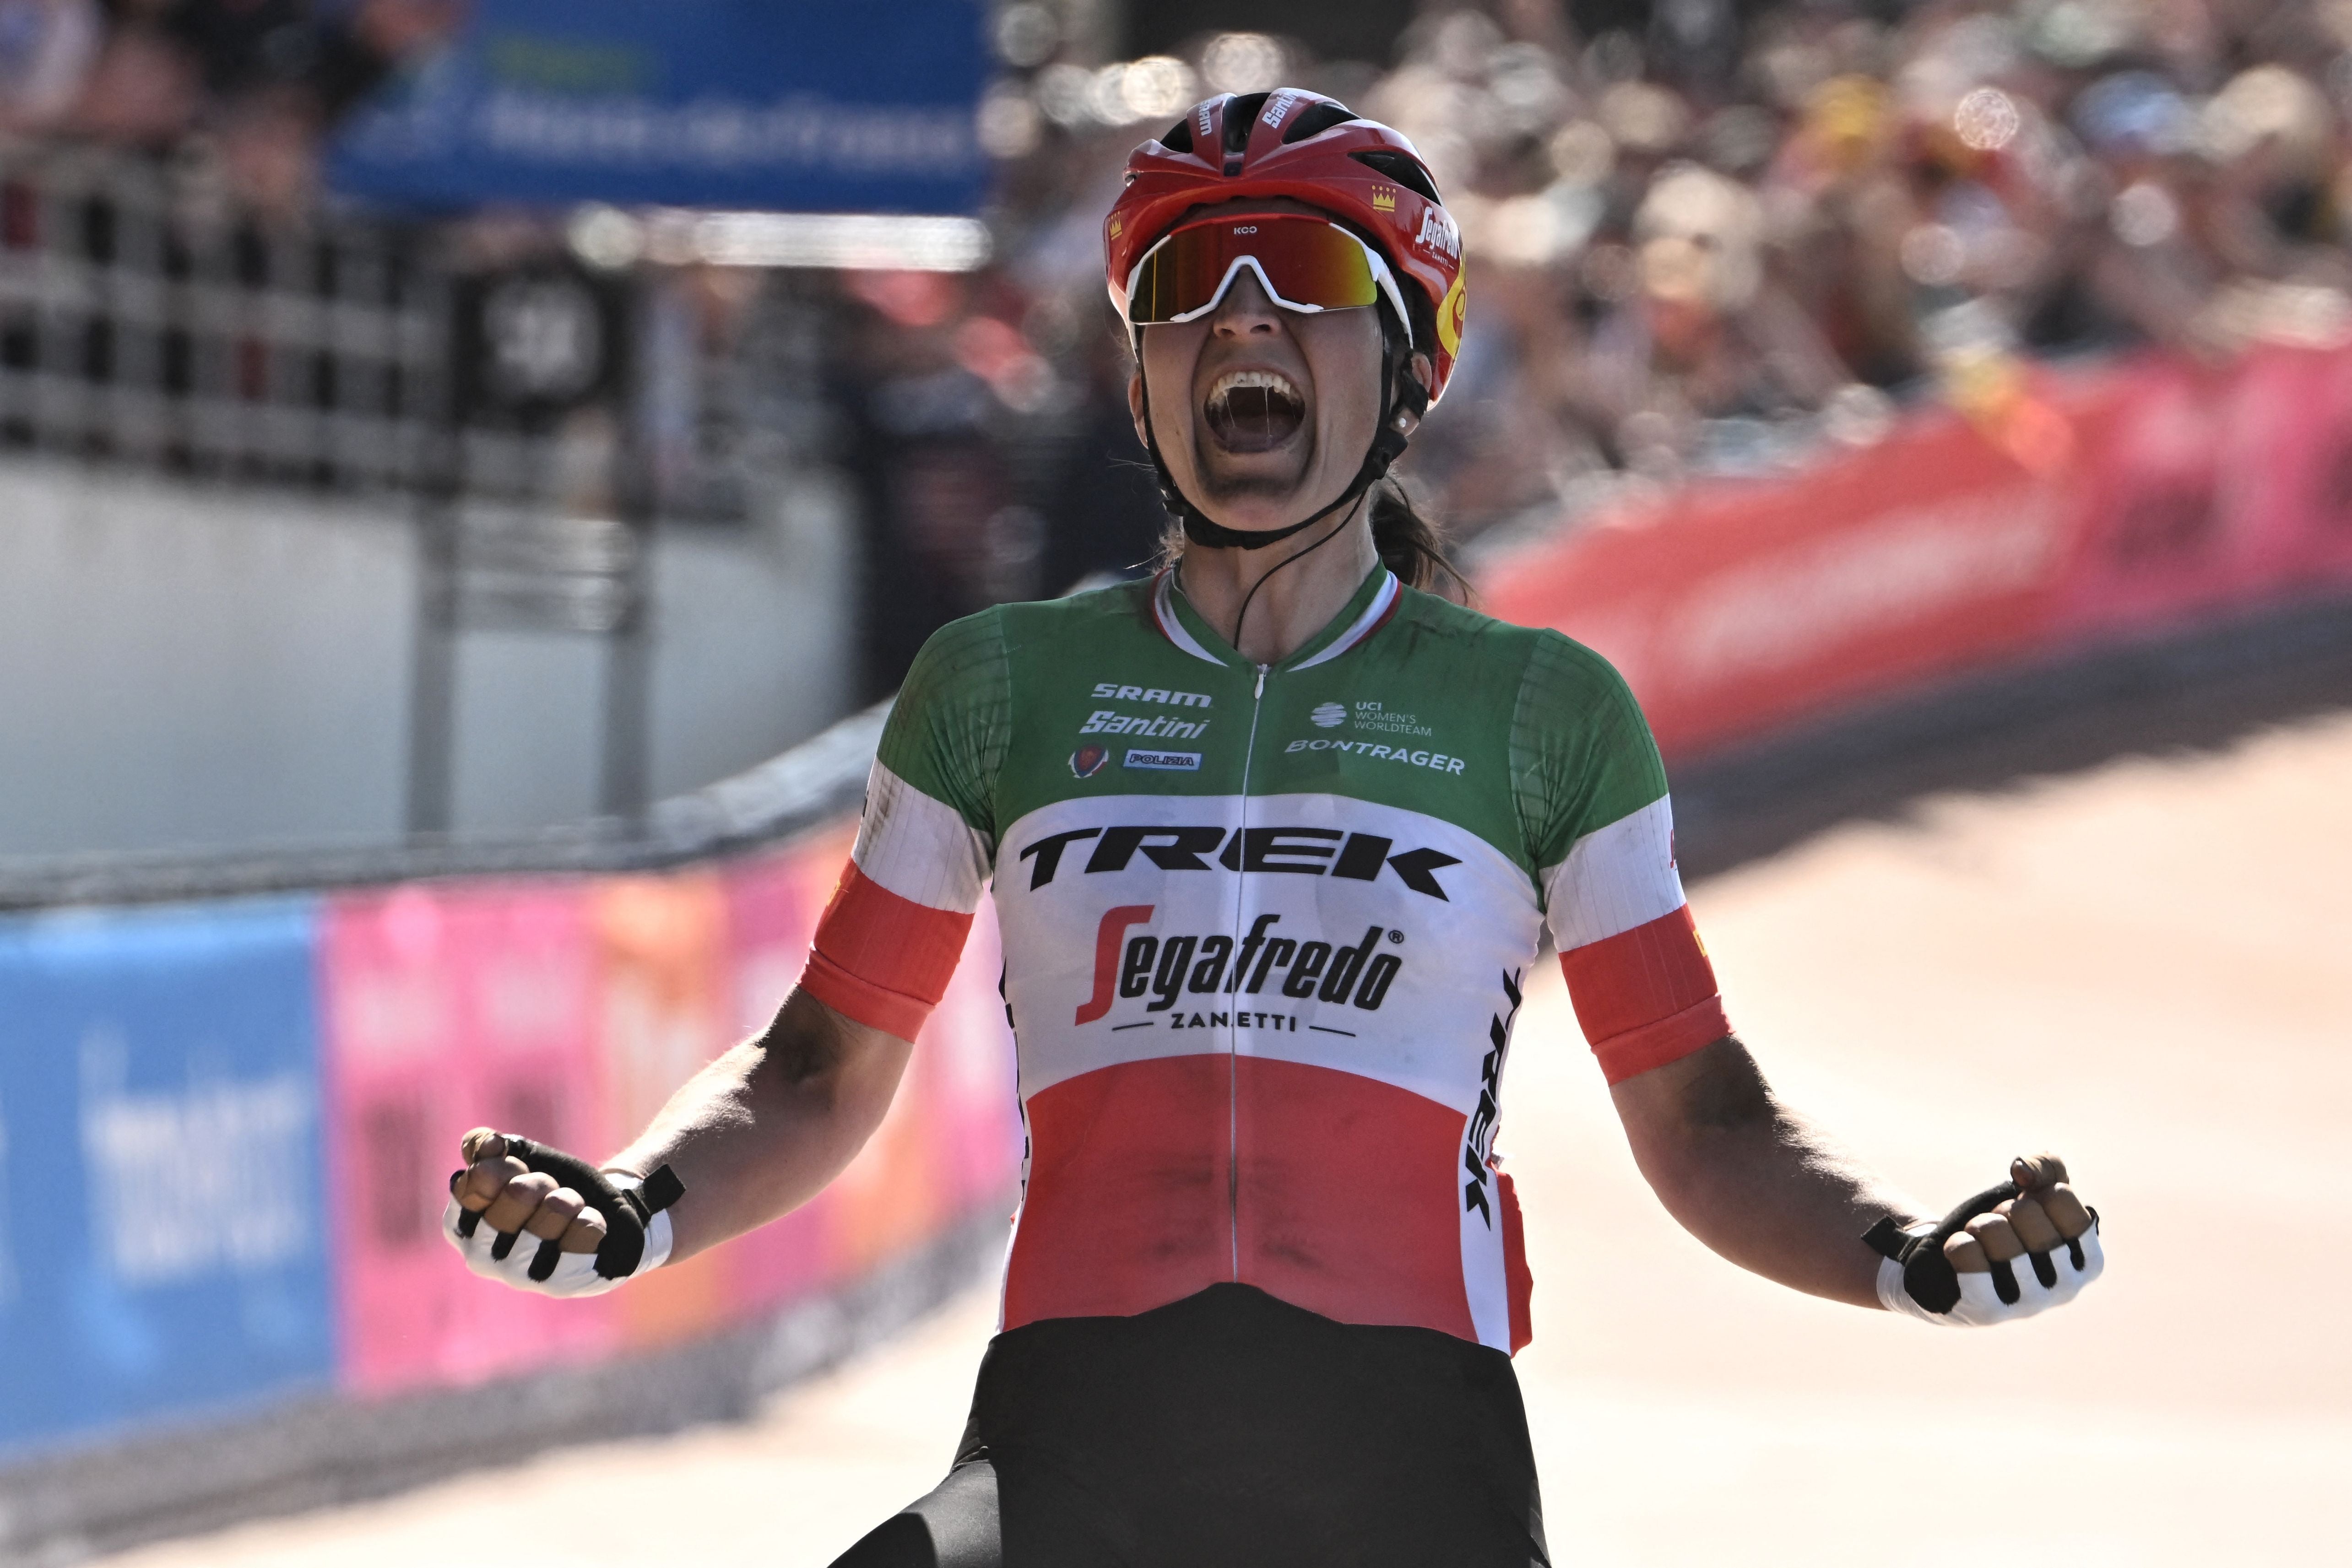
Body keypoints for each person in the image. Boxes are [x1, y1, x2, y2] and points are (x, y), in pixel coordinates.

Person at [442, 91, 2104, 1567]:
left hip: (1408, 1465)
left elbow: (1706, 1123)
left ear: (1413, 364)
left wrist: (1899, 1253)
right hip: (1067, 1444)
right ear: (1142, 367)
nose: (1242, 323)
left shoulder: (1540, 710)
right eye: (1186, 291)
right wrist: (637, 1201)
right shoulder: (997, 683)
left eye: (1303, 286)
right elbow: (813, 1073)